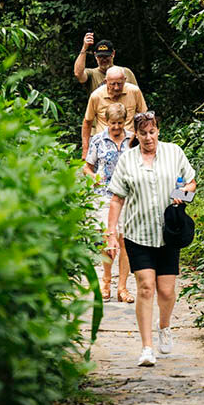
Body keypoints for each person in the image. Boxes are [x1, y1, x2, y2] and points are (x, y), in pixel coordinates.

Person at [106, 111, 197, 367]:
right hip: (138, 233)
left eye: (152, 132)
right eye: (143, 133)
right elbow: (117, 198)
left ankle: (164, 327)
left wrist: (182, 194)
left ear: (158, 131)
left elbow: (191, 183)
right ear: (136, 134)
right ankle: (146, 347)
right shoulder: (127, 160)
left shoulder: (174, 152)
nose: (148, 137)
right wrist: (111, 233)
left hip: (168, 234)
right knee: (145, 287)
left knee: (166, 290)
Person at [83, 103, 135, 303]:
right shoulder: (97, 140)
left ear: (125, 121)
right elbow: (87, 167)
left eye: (120, 123)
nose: (116, 127)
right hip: (104, 195)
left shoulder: (132, 139)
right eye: (113, 123)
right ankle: (106, 280)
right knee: (108, 239)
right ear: (106, 121)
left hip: (128, 196)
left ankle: (123, 287)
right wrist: (94, 177)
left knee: (125, 241)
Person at [82, 66, 147, 158]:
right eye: (112, 84)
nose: (116, 88)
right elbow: (87, 122)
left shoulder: (134, 91)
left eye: (119, 84)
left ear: (125, 80)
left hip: (130, 143)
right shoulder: (96, 96)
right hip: (103, 144)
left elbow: (144, 118)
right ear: (106, 82)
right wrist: (85, 150)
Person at [73, 33, 138, 94]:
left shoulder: (126, 72)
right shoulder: (91, 74)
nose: (104, 59)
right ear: (95, 55)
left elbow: (137, 95)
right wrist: (84, 48)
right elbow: (78, 74)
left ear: (113, 54)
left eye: (106, 56)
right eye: (100, 56)